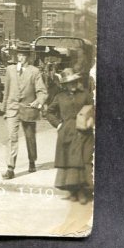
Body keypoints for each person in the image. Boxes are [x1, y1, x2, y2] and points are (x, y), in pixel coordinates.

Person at [46, 68, 94, 204]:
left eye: (74, 81)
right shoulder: (60, 97)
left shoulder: (84, 95)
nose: (72, 84)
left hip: (84, 132)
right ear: (64, 84)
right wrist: (58, 124)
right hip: (66, 132)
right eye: (69, 83)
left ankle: (82, 191)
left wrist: (91, 119)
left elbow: (94, 108)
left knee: (82, 161)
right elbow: (49, 112)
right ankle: (73, 191)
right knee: (69, 163)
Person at [1, 41, 47, 179]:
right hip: (12, 108)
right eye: (18, 55)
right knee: (11, 137)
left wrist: (38, 102)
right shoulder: (10, 70)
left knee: (30, 137)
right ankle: (10, 168)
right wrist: (4, 108)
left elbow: (42, 91)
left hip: (28, 108)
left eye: (23, 55)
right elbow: (7, 90)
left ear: (28, 57)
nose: (20, 57)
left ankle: (32, 160)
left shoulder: (34, 71)